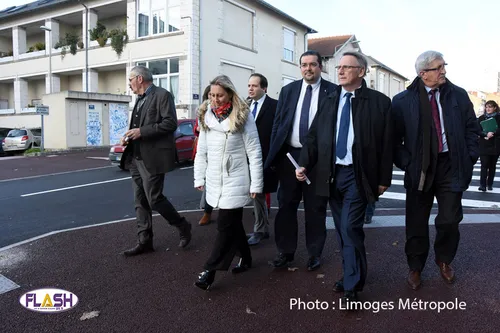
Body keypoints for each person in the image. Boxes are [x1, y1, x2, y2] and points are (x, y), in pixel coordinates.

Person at [297, 51, 393, 302]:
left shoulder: (379, 102)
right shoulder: (330, 99)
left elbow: (387, 144)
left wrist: (384, 178)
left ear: (361, 72)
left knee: (350, 227)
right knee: (342, 230)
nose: (340, 71)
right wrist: (304, 163)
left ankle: (351, 286)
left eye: (346, 67)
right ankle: (354, 274)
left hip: (358, 175)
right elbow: (313, 137)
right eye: (338, 67)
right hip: (331, 175)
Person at [392, 51, 480, 290]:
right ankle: (416, 266)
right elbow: (394, 141)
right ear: (423, 74)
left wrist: (470, 156)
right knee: (416, 221)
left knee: (450, 219)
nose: (444, 71)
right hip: (419, 168)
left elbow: (473, 128)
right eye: (438, 67)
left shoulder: (458, 95)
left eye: (444, 66)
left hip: (451, 165)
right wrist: (408, 164)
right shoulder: (402, 101)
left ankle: (444, 260)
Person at [265, 50, 337, 271]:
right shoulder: (288, 91)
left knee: (316, 208)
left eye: (313, 64)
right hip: (290, 157)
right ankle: (285, 252)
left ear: (320, 67)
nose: (308, 68)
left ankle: (314, 253)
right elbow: (278, 124)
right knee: (286, 205)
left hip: (318, 160)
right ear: (300, 67)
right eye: (304, 65)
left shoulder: (333, 92)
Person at [193, 75, 263, 290]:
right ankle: (247, 257)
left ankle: (209, 271)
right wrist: (199, 176)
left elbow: (254, 151)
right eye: (212, 95)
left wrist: (256, 184)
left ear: (230, 94)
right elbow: (202, 150)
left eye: (219, 95)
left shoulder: (243, 116)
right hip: (215, 179)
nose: (215, 99)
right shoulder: (206, 115)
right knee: (233, 225)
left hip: (236, 178)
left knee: (225, 225)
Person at [122, 65, 192, 257]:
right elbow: (138, 126)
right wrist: (130, 136)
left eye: (130, 80)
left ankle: (183, 225)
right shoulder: (140, 99)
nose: (129, 85)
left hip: (153, 156)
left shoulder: (162, 95)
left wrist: (141, 132)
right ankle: (144, 241)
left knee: (154, 199)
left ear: (139, 79)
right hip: (135, 157)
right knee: (140, 201)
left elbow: (169, 123)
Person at [246, 73, 279, 246]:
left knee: (258, 193)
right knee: (255, 194)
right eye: (249, 85)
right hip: (247, 157)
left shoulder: (274, 106)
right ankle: (262, 228)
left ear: (264, 88)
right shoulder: (245, 106)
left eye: (254, 86)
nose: (250, 88)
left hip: (266, 157)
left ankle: (261, 230)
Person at [194, 85, 214, 225]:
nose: (212, 98)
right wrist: (198, 128)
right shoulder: (202, 110)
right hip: (204, 150)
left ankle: (207, 211)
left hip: (216, 151)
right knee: (206, 183)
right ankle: (207, 211)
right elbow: (197, 129)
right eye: (210, 95)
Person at [477, 100, 500, 191]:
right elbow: (477, 130)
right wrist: (485, 134)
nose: (488, 109)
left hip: (495, 145)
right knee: (484, 165)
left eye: (490, 107)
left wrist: (493, 132)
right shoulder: (481, 118)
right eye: (486, 107)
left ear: (495, 108)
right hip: (484, 144)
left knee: (492, 166)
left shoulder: (499, 118)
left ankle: (490, 184)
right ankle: (482, 185)